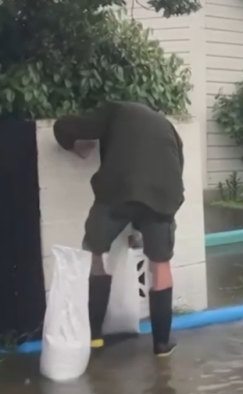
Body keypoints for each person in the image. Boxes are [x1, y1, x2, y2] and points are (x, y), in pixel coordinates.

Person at [53, 101, 184, 355]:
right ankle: (161, 344)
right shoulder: (168, 126)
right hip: (163, 196)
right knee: (160, 263)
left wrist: (72, 144)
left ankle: (95, 336)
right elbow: (177, 167)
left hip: (118, 192)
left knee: (95, 250)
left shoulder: (116, 110)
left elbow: (70, 126)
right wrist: (144, 225)